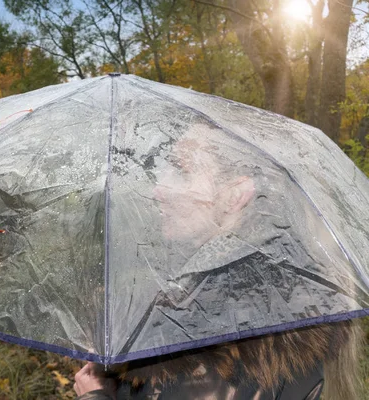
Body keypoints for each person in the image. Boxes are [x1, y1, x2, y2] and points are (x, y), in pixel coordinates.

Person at [74, 123, 363, 400]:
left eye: (180, 171)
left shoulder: (225, 322)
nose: (158, 190)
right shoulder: (282, 296)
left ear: (235, 195)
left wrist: (95, 395)